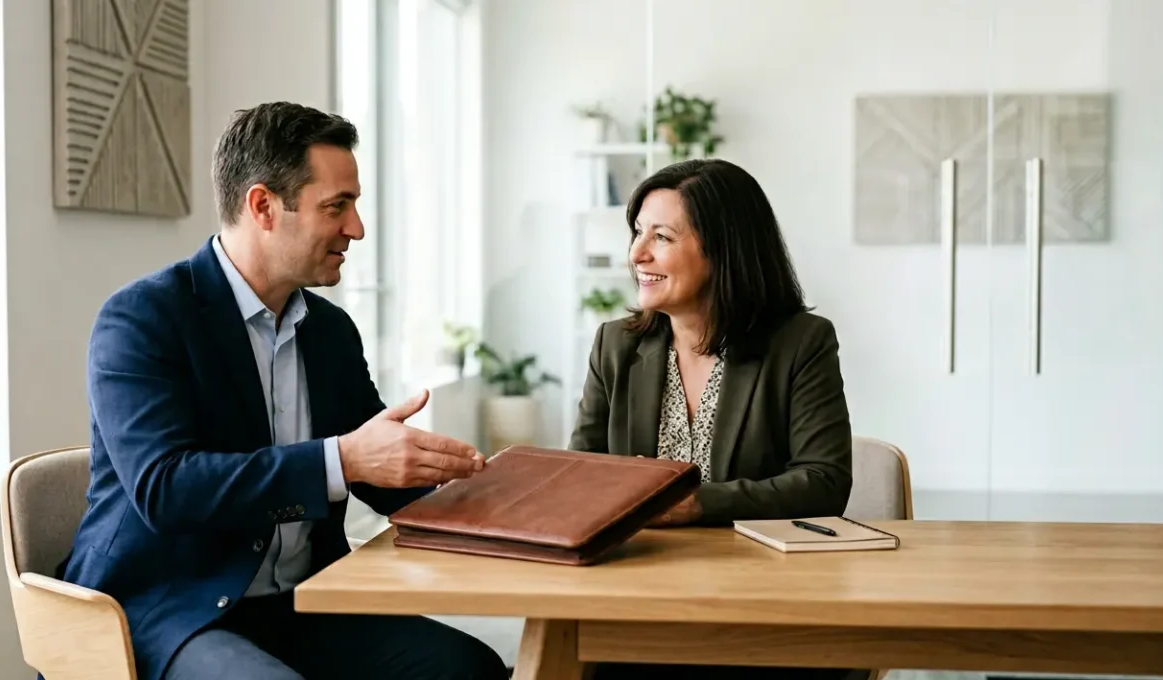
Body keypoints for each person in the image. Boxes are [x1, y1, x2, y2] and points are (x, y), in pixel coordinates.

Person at [59, 102, 509, 680]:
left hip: (304, 603)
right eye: (336, 206)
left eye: (355, 204)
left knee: (467, 667)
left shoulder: (328, 330)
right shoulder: (142, 319)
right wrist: (341, 459)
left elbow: (376, 469)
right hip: (169, 610)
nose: (357, 228)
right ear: (263, 206)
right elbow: (165, 488)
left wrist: (488, 496)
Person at [569, 158, 861, 680]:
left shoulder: (800, 343)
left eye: (661, 236)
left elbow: (824, 483)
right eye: (638, 233)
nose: (637, 254)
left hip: (760, 607)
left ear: (723, 249)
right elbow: (582, 475)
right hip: (635, 600)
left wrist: (695, 504)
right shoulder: (616, 345)